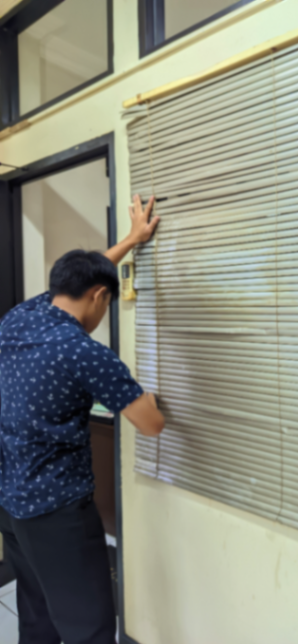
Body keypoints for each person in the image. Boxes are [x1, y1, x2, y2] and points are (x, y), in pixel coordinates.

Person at [0, 195, 164, 644]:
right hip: (59, 514)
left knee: (37, 615)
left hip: (12, 503)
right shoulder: (85, 353)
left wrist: (131, 239)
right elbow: (151, 424)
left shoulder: (19, 319)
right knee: (88, 625)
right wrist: (151, 397)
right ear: (99, 296)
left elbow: (84, 279)